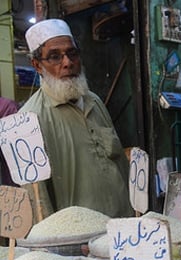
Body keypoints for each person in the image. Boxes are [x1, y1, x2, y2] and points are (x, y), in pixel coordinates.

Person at [20, 18, 132, 218]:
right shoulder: (28, 121)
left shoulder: (94, 102)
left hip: (122, 229)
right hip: (78, 240)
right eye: (54, 57)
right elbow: (38, 203)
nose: (67, 63)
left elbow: (119, 164)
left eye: (72, 53)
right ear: (37, 65)